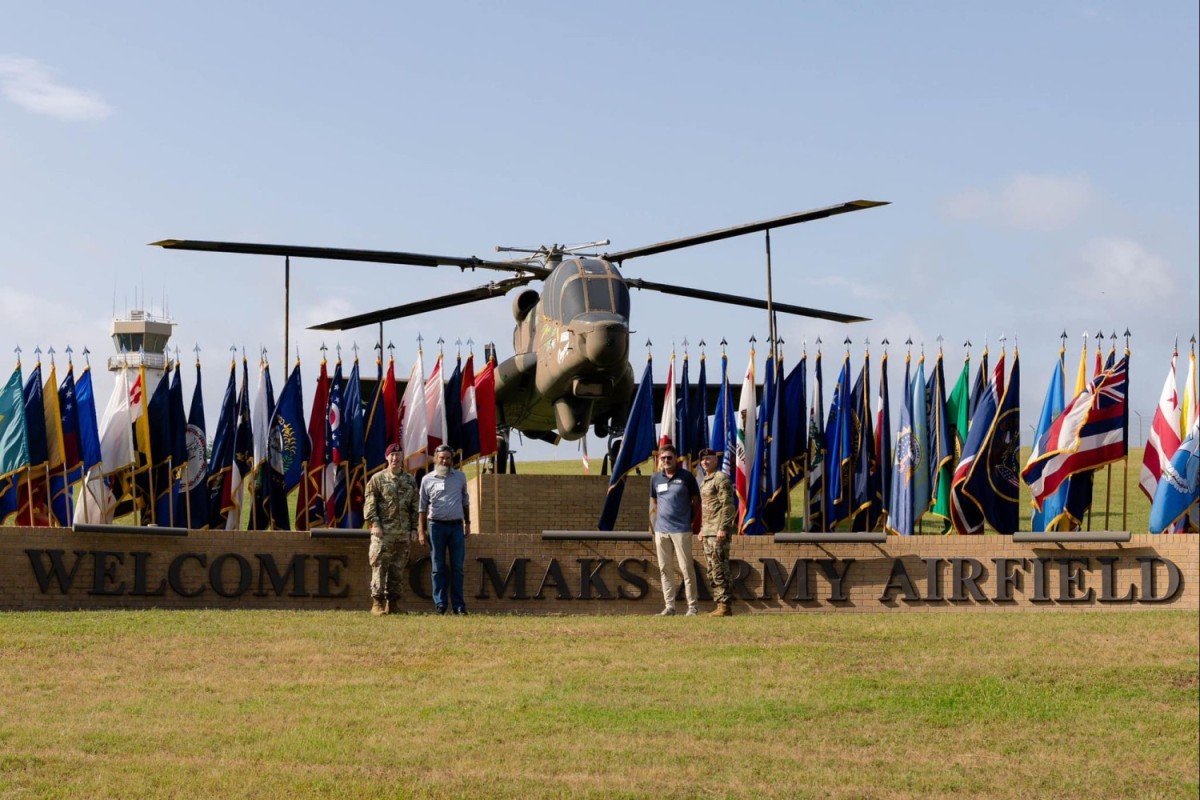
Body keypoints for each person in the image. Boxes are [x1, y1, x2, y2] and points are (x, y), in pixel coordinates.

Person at [363, 443, 419, 615]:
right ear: (387, 457)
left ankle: (393, 605)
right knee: (379, 567)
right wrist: (376, 524)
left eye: (398, 455)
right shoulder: (378, 479)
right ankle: (377, 604)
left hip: (402, 534)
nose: (395, 458)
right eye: (392, 455)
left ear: (402, 457)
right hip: (383, 533)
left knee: (397, 569)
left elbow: (414, 507)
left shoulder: (410, 480)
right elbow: (370, 504)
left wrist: (414, 528)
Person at [418, 444, 471, 615]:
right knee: (438, 567)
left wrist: (468, 523)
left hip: (456, 527)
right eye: (441, 458)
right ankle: (440, 605)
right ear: (435, 459)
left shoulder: (460, 477)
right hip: (436, 527)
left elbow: (465, 501)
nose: (445, 461)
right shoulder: (427, 479)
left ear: (451, 459)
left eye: (448, 458)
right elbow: (422, 507)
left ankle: (459, 606)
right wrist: (421, 530)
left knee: (457, 567)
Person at [649, 443, 700, 616]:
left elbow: (696, 501)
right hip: (661, 531)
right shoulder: (655, 478)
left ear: (676, 458)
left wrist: (689, 520)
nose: (666, 461)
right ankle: (669, 606)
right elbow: (655, 502)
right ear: (659, 460)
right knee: (665, 569)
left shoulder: (686, 477)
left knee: (686, 568)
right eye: (663, 458)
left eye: (669, 458)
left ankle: (692, 606)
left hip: (681, 529)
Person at [697, 447, 736, 616]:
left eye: (709, 459)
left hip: (717, 532)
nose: (705, 462)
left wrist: (723, 528)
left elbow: (727, 505)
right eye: (703, 460)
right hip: (708, 531)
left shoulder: (721, 479)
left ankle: (724, 606)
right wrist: (702, 530)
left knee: (720, 568)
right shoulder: (705, 480)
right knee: (712, 569)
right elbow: (707, 508)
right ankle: (720, 604)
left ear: (716, 460)